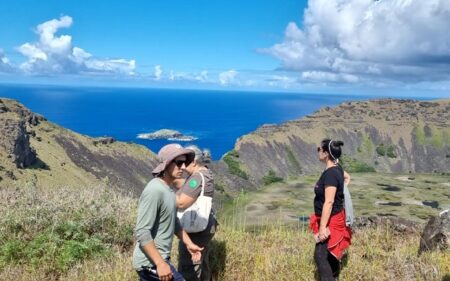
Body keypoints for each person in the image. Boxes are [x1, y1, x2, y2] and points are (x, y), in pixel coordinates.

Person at [133, 143, 204, 281]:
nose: (183, 167)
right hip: (149, 264)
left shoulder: (169, 191)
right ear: (166, 164)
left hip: (159, 260)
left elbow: (174, 222)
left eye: (185, 162)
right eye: (179, 162)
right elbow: (142, 231)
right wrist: (160, 263)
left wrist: (189, 244)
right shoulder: (154, 190)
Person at [310, 139, 352, 281]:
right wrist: (342, 190)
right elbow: (347, 177)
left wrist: (322, 228)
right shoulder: (337, 168)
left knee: (320, 256)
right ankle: (334, 275)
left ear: (326, 153)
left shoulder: (331, 174)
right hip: (335, 216)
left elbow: (329, 202)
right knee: (329, 252)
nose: (318, 151)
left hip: (330, 220)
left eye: (319, 149)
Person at [176, 145, 217, 281]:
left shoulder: (197, 178)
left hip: (196, 229)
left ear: (194, 161)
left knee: (189, 266)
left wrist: (164, 195)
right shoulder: (205, 172)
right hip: (205, 225)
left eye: (184, 162)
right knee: (202, 262)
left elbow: (182, 202)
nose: (181, 166)